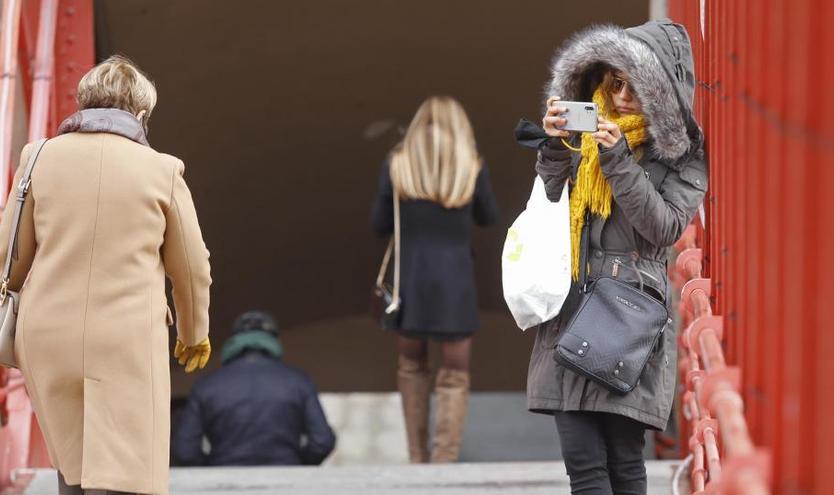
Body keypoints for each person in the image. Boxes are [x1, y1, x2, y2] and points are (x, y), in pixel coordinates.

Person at [0, 56, 212, 495]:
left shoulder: (37, 157)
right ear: (140, 113)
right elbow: (191, 270)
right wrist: (193, 334)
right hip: (126, 340)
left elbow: (9, 256)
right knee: (125, 473)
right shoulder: (163, 170)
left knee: (73, 470)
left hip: (47, 334)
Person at [523, 21, 708, 494]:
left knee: (625, 464)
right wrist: (555, 145)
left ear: (661, 90)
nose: (622, 95)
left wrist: (619, 159)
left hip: (628, 314)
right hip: (571, 309)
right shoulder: (586, 135)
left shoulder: (682, 155)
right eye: (615, 81)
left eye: (636, 85)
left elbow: (662, 228)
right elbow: (550, 198)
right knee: (583, 466)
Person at [369, 96, 497, 463]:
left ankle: (416, 456)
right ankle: (445, 459)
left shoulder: (397, 166)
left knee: (412, 368)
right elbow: (488, 216)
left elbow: (378, 224)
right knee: (455, 374)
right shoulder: (471, 168)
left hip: (409, 282)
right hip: (455, 283)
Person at [172, 311, 336, 466]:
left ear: (234, 341)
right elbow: (321, 442)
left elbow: (185, 450)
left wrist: (215, 467)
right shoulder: (299, 382)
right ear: (273, 341)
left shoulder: (206, 386)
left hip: (224, 484)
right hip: (285, 482)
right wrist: (295, 464)